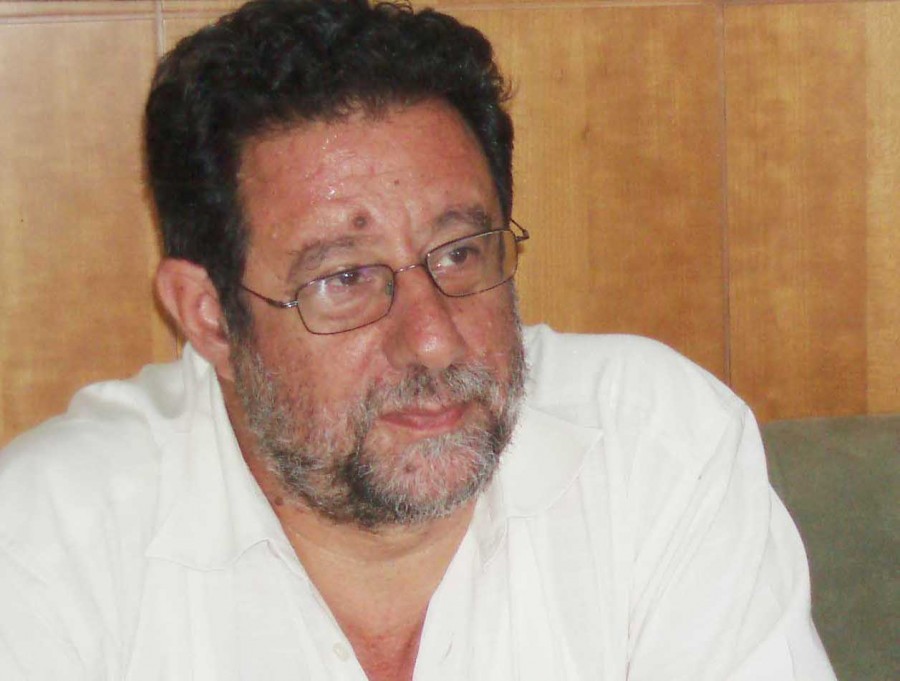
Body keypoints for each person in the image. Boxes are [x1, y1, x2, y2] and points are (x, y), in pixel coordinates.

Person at [0, 1, 835, 679]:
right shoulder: (51, 538)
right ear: (210, 316)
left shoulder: (655, 447)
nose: (434, 339)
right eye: (345, 277)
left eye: (460, 253)